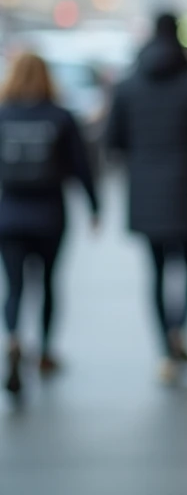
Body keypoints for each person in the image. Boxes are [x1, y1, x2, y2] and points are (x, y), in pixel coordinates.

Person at [105, 13, 187, 384]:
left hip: (146, 192)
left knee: (156, 272)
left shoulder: (128, 85)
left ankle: (164, 347)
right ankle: (181, 329)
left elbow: (113, 141)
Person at [0, 53, 99, 399]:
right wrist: (94, 206)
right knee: (47, 283)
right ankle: (44, 351)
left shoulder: (3, 114)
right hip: (49, 214)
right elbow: (82, 166)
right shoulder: (60, 116)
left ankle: (13, 339)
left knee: (14, 286)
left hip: (9, 214)